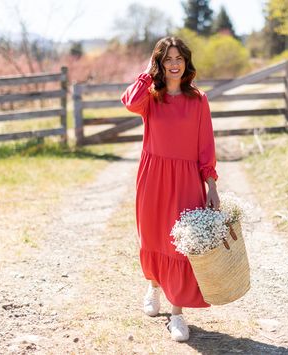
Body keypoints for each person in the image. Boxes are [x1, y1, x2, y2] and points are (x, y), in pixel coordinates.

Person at [120, 36, 220, 342]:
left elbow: (206, 146)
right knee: (152, 237)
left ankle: (177, 314)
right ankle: (153, 286)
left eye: (178, 59)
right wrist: (147, 73)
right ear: (159, 64)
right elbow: (129, 102)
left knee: (180, 245)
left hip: (186, 179)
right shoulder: (151, 97)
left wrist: (211, 185)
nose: (174, 65)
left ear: (186, 63)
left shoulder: (198, 100)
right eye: (167, 60)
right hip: (153, 177)